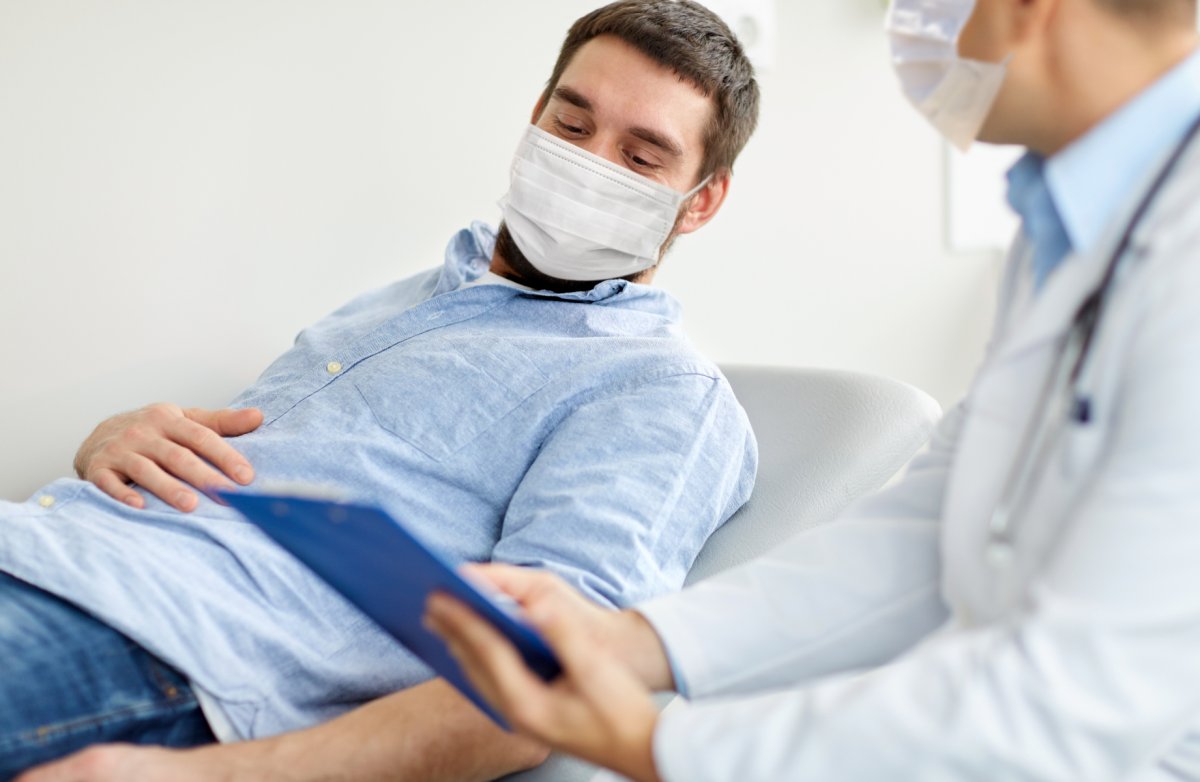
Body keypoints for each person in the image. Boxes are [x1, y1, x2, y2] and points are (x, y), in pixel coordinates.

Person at [424, 0, 1200, 779]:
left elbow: (1069, 705)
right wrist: (631, 644)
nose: (915, 17)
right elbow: (929, 536)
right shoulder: (1070, 225)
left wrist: (661, 747)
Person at [2, 2, 761, 780]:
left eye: (640, 158)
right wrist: (112, 440)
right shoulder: (411, 298)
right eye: (572, 127)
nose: (591, 164)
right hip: (43, 544)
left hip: (150, 648)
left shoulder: (660, 392)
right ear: (535, 118)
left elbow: (544, 682)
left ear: (700, 198)